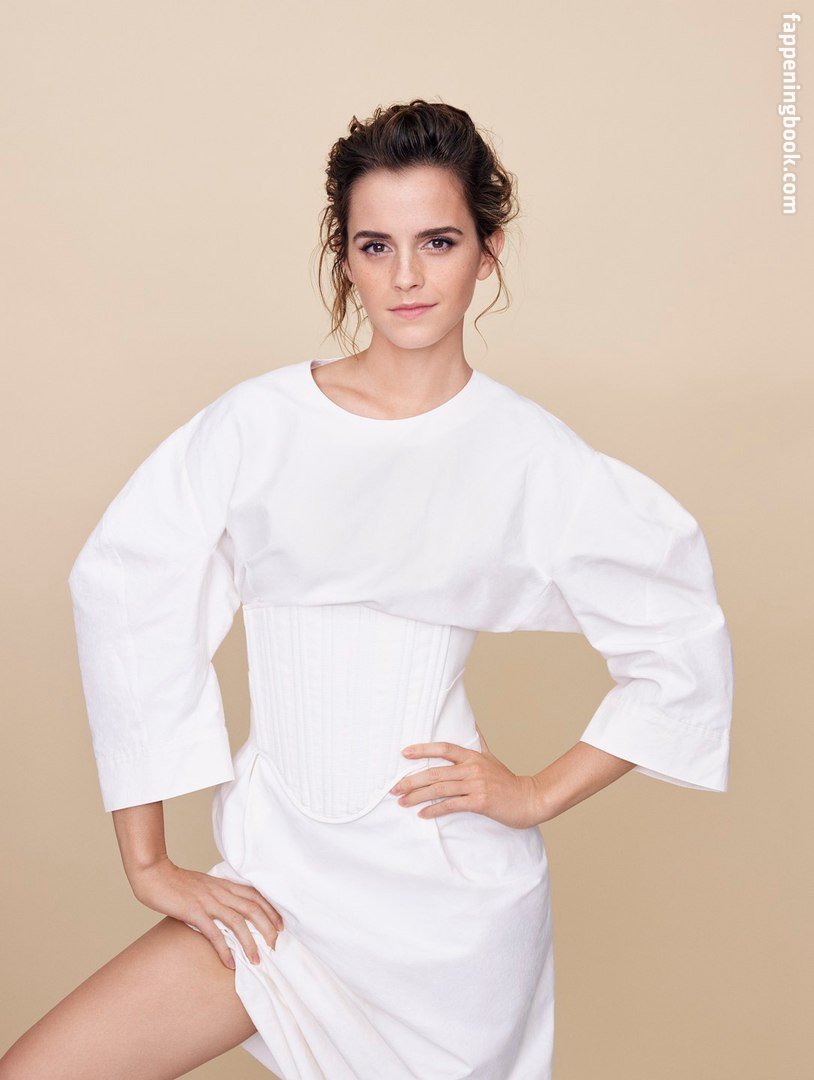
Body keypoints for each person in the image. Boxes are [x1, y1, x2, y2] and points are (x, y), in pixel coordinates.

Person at [0, 99, 734, 1080]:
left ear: (488, 251)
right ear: (343, 258)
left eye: (438, 241)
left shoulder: (527, 455)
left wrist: (533, 794)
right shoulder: (259, 425)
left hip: (446, 913)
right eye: (375, 245)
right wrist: (149, 863)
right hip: (277, 882)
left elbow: (679, 644)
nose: (406, 276)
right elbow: (126, 591)